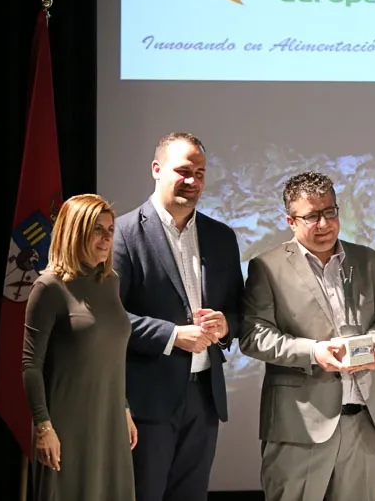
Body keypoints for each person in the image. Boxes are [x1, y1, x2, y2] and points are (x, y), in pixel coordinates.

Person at [238, 171, 375, 501]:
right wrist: (314, 352)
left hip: (365, 422)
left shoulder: (370, 261)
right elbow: (253, 335)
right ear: (290, 220)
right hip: (300, 425)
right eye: (311, 216)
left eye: (330, 212)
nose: (324, 224)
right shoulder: (266, 267)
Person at [113, 133, 244, 501]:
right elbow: (111, 319)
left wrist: (226, 324)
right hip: (147, 400)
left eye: (200, 173)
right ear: (156, 169)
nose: (193, 181)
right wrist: (172, 335)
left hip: (205, 398)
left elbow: (240, 309)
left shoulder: (221, 237)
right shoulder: (123, 234)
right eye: (183, 170)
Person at [22, 193, 136, 501]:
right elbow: (31, 366)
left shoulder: (110, 281)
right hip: (66, 427)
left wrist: (123, 409)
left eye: (110, 229)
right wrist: (44, 427)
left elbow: (109, 354)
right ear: (75, 231)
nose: (107, 237)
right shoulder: (48, 287)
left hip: (109, 420)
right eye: (97, 229)